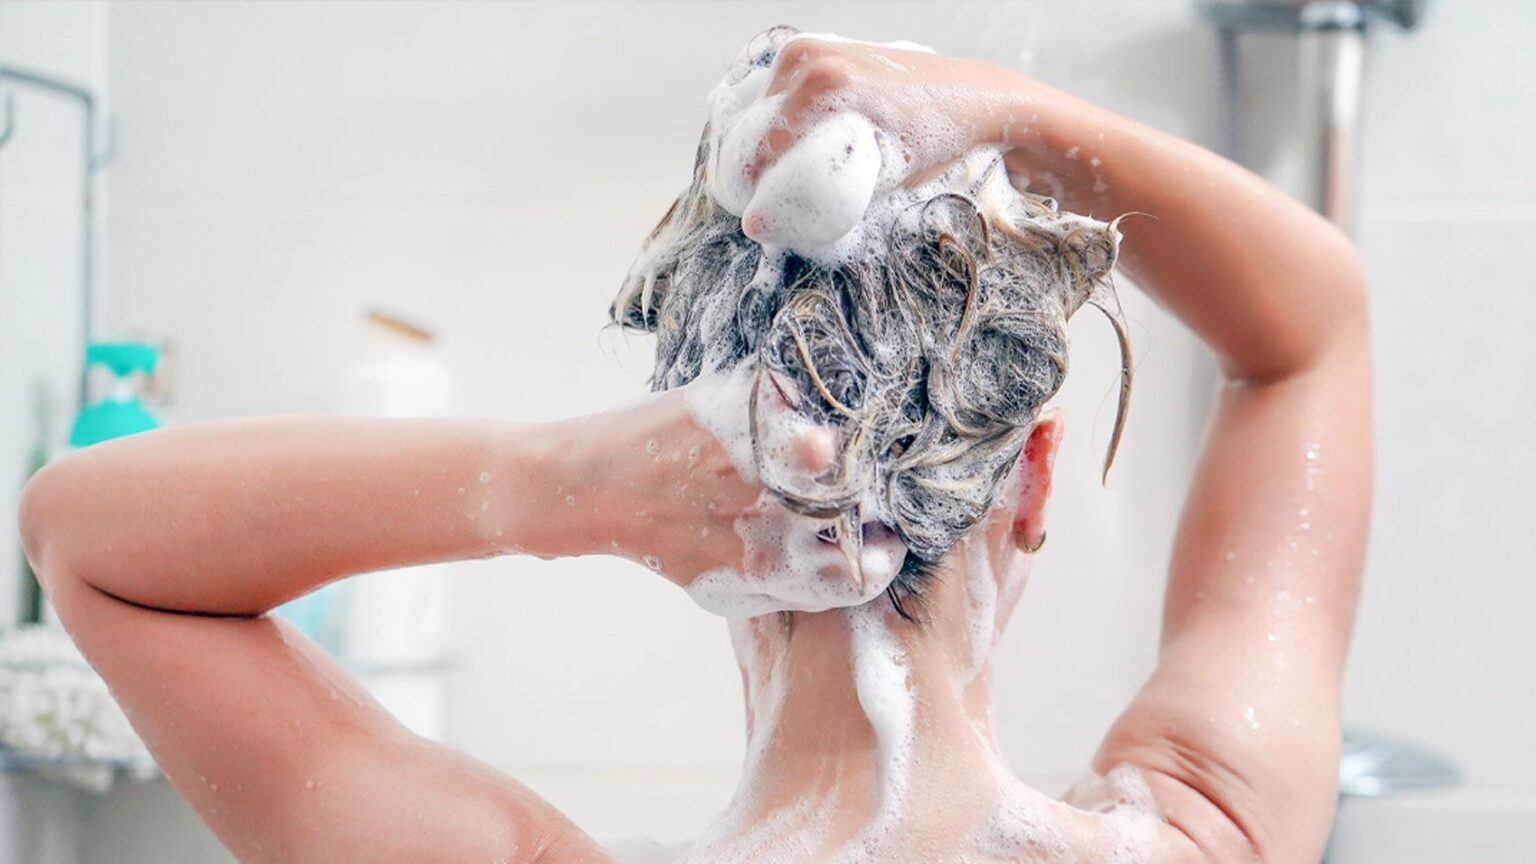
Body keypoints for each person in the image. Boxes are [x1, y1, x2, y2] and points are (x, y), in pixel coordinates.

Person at [17, 30, 1369, 864]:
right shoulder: (1204, 835)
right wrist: (1005, 110)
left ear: (687, 470)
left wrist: (552, 485)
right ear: (1033, 476)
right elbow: (1314, 330)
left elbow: (85, 537)